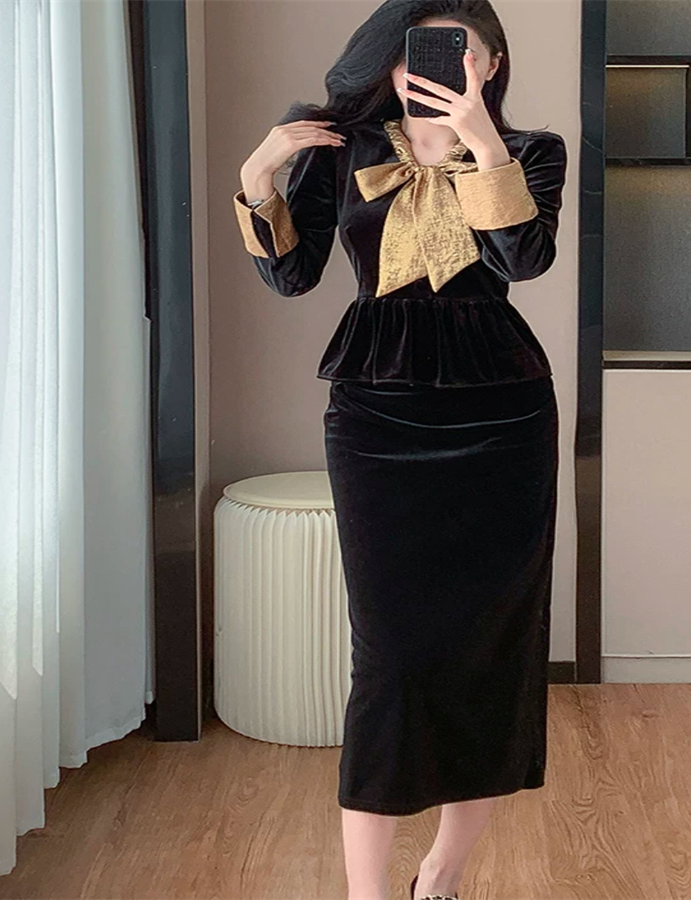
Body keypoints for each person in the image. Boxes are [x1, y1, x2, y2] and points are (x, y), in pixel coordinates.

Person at [233, 2, 567, 898]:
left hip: (503, 417)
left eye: (463, 53)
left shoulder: (531, 150)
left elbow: (523, 261)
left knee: (495, 646)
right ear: (389, 62)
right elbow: (292, 273)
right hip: (377, 412)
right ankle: (367, 892)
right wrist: (258, 176)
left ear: (491, 64)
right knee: (387, 655)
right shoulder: (343, 150)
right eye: (420, 53)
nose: (440, 68)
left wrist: (482, 146)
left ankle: (443, 874)